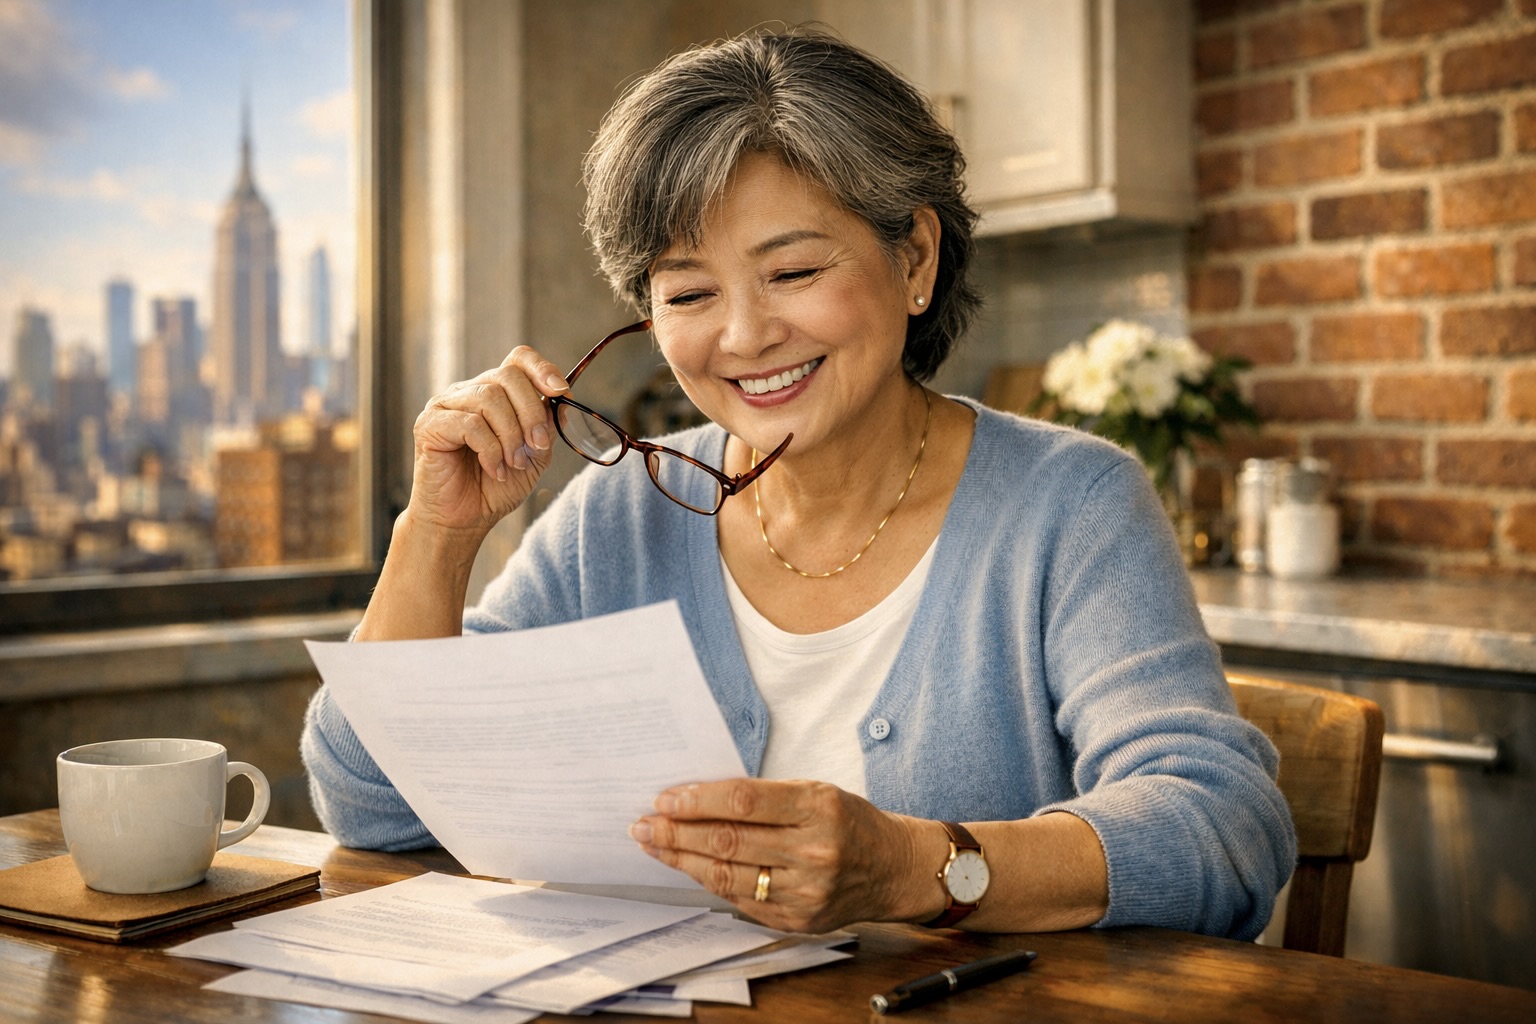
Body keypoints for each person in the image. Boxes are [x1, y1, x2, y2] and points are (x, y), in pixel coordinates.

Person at [302, 26, 1295, 940]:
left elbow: (1221, 825)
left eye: (791, 272)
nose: (743, 335)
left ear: (914, 258)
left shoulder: (1071, 504)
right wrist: (435, 531)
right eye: (689, 291)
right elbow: (373, 804)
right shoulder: (619, 514)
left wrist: (919, 865)